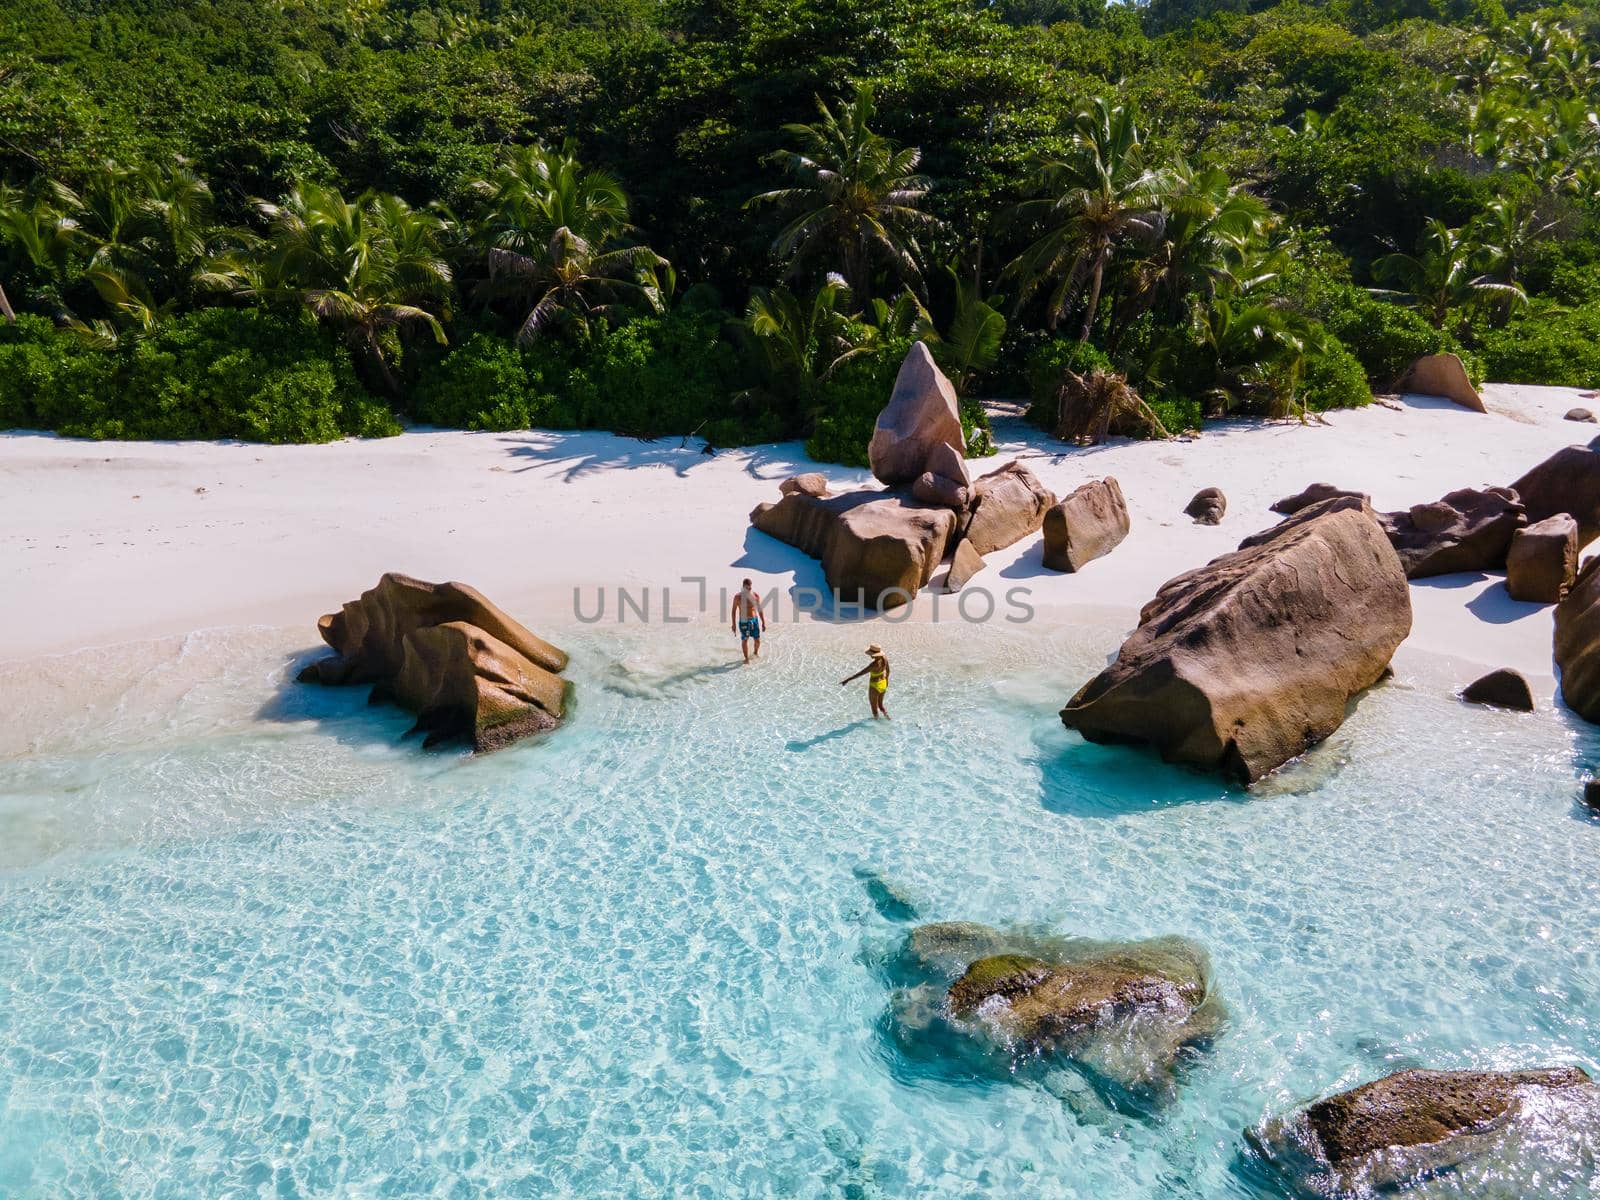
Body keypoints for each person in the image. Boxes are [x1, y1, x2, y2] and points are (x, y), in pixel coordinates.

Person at [841, 644, 890, 718]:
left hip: (875, 686)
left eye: (871, 654)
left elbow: (860, 673)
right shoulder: (884, 658)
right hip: (883, 683)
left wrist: (848, 679)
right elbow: (888, 671)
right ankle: (888, 719)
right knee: (881, 706)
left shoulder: (873, 665)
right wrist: (886, 681)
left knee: (874, 710)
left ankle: (876, 726)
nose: (870, 655)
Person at [730, 577, 767, 663]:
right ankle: (746, 659)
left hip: (754, 621)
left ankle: (755, 653)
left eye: (750, 588)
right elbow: (733, 611)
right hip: (744, 622)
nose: (749, 590)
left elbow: (759, 610)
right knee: (745, 640)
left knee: (757, 640)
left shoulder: (755, 596)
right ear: (743, 587)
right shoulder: (738, 597)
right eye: (747, 588)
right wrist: (733, 624)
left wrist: (763, 622)